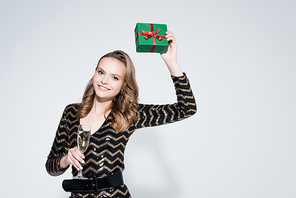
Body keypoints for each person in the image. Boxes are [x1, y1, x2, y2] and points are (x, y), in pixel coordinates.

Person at [46, 31, 197, 198]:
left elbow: (186, 108)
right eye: (101, 72)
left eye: (115, 78)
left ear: (124, 84)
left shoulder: (129, 113)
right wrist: (66, 160)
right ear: (95, 73)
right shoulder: (71, 113)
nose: (104, 81)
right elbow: (50, 166)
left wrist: (171, 61)